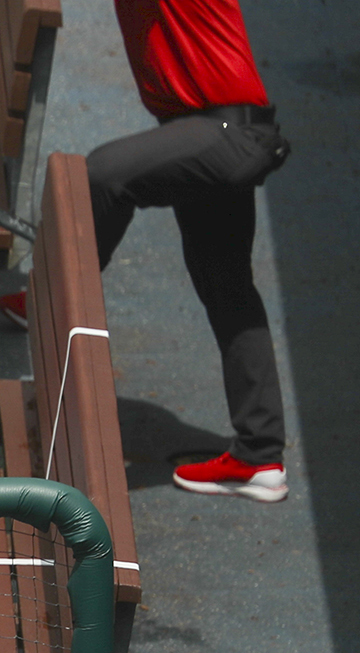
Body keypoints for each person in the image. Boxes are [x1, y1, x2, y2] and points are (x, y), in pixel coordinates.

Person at [85, 0, 292, 501]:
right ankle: (259, 458)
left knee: (103, 174)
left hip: (225, 134)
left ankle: (56, 295)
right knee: (224, 286)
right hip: (206, 133)